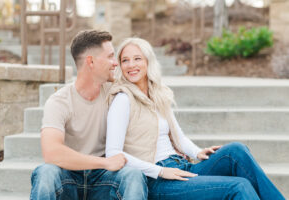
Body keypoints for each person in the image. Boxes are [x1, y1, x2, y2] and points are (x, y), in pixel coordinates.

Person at [106, 37, 285, 200]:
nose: (131, 65)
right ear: (120, 66)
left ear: (148, 61)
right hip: (157, 180)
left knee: (236, 151)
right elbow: (113, 153)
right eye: (125, 60)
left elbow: (179, 136)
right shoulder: (123, 99)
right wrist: (160, 171)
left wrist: (197, 152)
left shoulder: (158, 94)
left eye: (137, 58)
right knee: (239, 186)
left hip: (182, 167)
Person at [30, 31, 148, 200]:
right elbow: (51, 152)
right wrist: (105, 162)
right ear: (91, 61)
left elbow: (152, 104)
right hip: (69, 177)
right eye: (110, 57)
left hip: (104, 179)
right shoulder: (59, 101)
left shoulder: (117, 93)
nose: (116, 63)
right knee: (46, 173)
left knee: (133, 176)